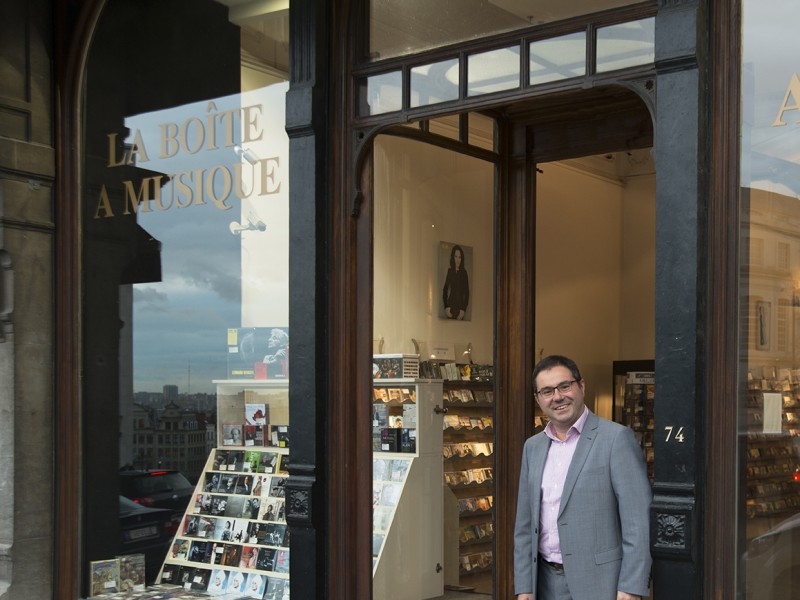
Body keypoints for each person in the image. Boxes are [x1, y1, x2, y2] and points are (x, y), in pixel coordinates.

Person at [514, 355, 652, 600]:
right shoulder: (532, 447)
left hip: (600, 584)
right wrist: (524, 587)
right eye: (547, 391)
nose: (557, 397)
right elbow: (524, 526)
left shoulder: (616, 439)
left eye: (564, 386)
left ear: (581, 386)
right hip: (543, 582)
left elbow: (637, 522)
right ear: (538, 399)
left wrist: (631, 586)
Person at [442, 244, 469, 320]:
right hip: (450, 308)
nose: (457, 260)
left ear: (462, 259)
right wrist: (446, 306)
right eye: (455, 257)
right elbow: (445, 290)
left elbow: (467, 293)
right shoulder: (450, 271)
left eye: (459, 257)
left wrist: (463, 309)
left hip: (460, 309)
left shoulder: (464, 273)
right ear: (453, 257)